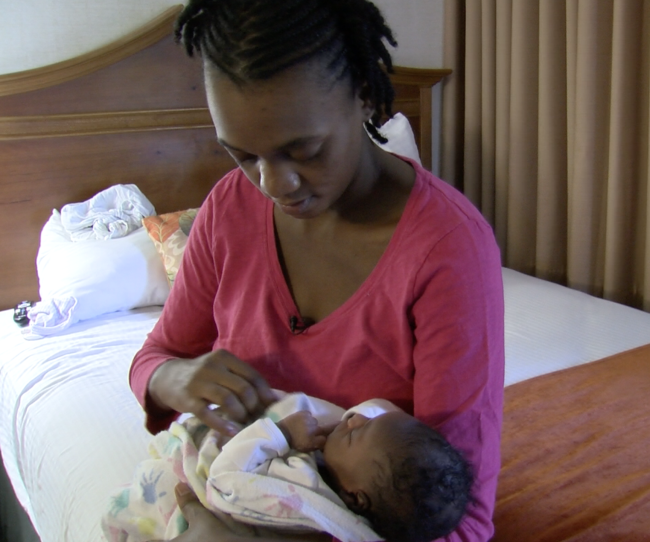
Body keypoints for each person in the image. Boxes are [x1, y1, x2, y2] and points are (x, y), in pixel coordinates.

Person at [127, 1, 505, 541]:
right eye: (242, 155)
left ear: (366, 97)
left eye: (303, 150)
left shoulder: (448, 249)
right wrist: (173, 378)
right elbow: (155, 360)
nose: (272, 185)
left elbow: (463, 519)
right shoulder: (228, 209)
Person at [104, 393, 473, 542]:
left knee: (160, 484)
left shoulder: (302, 492)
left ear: (356, 497)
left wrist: (278, 434)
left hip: (206, 512)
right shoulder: (369, 498)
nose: (354, 420)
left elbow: (224, 481)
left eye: (358, 434)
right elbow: (381, 412)